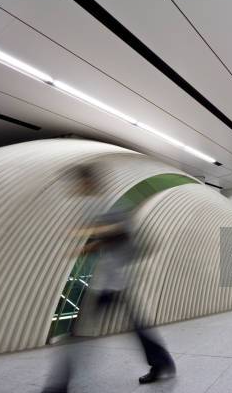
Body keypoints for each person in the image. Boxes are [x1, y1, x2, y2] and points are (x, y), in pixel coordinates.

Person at [42, 163, 175, 392]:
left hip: (113, 281)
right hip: (111, 279)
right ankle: (162, 363)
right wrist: (87, 247)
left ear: (87, 182)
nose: (74, 188)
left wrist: (85, 234)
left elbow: (120, 232)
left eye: (77, 183)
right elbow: (109, 238)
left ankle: (59, 385)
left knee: (79, 332)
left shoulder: (105, 203)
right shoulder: (96, 204)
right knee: (136, 327)